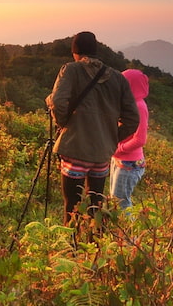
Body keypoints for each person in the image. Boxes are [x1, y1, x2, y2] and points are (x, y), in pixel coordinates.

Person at [45, 31, 139, 225]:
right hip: (102, 154)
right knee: (96, 204)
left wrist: (64, 125)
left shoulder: (70, 70)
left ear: (75, 52)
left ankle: (71, 248)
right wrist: (111, 137)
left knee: (72, 205)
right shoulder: (118, 78)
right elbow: (132, 119)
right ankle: (94, 245)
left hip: (75, 149)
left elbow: (58, 102)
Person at [109, 69, 149, 209]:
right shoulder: (129, 103)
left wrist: (118, 149)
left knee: (121, 203)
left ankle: (129, 230)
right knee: (115, 201)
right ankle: (120, 230)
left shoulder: (139, 106)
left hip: (129, 162)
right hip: (120, 158)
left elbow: (140, 139)